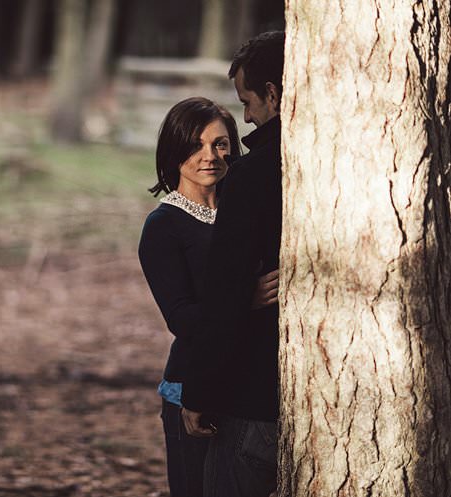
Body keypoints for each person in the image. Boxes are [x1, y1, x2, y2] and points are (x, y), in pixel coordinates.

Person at [138, 97, 278, 497]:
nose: (210, 156)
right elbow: (182, 320)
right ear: (173, 150)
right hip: (192, 385)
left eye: (220, 144)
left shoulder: (249, 206)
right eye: (196, 145)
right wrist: (243, 300)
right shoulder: (164, 226)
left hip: (250, 388)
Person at [179, 31, 286, 497]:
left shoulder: (254, 175)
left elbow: (223, 296)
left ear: (274, 93)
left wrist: (199, 393)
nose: (247, 117)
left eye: (248, 101)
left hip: (255, 399)